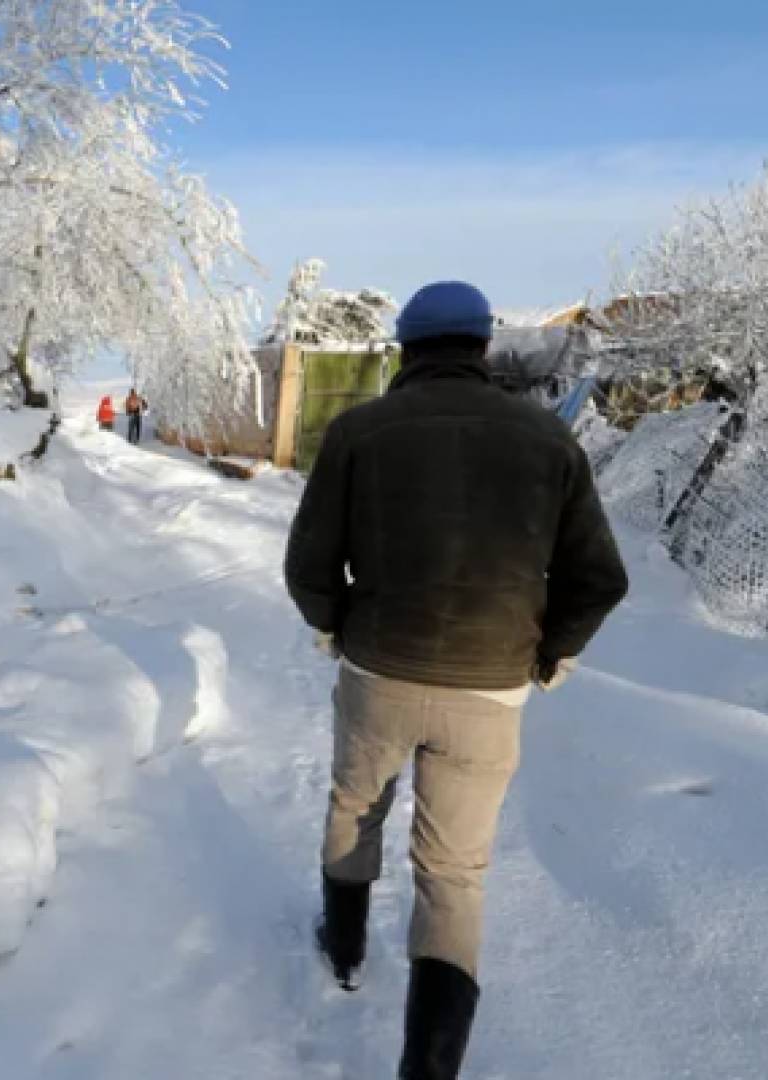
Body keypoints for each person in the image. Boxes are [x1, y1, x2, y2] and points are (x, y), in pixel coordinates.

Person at [284, 281, 628, 1079]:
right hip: (491, 691)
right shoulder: (549, 439)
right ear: (482, 348)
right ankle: (430, 1069)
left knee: (355, 806)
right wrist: (551, 653)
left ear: (407, 350)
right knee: (453, 872)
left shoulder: (358, 431)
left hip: (378, 672)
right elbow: (599, 577)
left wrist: (334, 623)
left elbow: (308, 564)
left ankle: (343, 948)